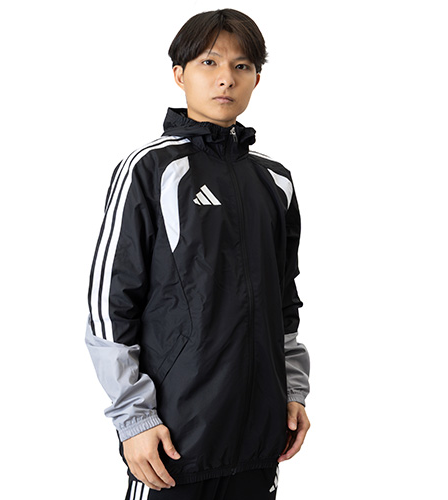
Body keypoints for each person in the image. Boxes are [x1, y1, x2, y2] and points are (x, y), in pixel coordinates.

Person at [85, 8, 310, 500]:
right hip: (173, 442)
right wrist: (134, 417)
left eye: (242, 66)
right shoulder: (149, 168)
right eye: (210, 62)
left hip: (259, 438)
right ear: (179, 74)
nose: (226, 78)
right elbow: (109, 305)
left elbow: (284, 302)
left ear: (256, 79)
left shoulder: (275, 180)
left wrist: (293, 391)